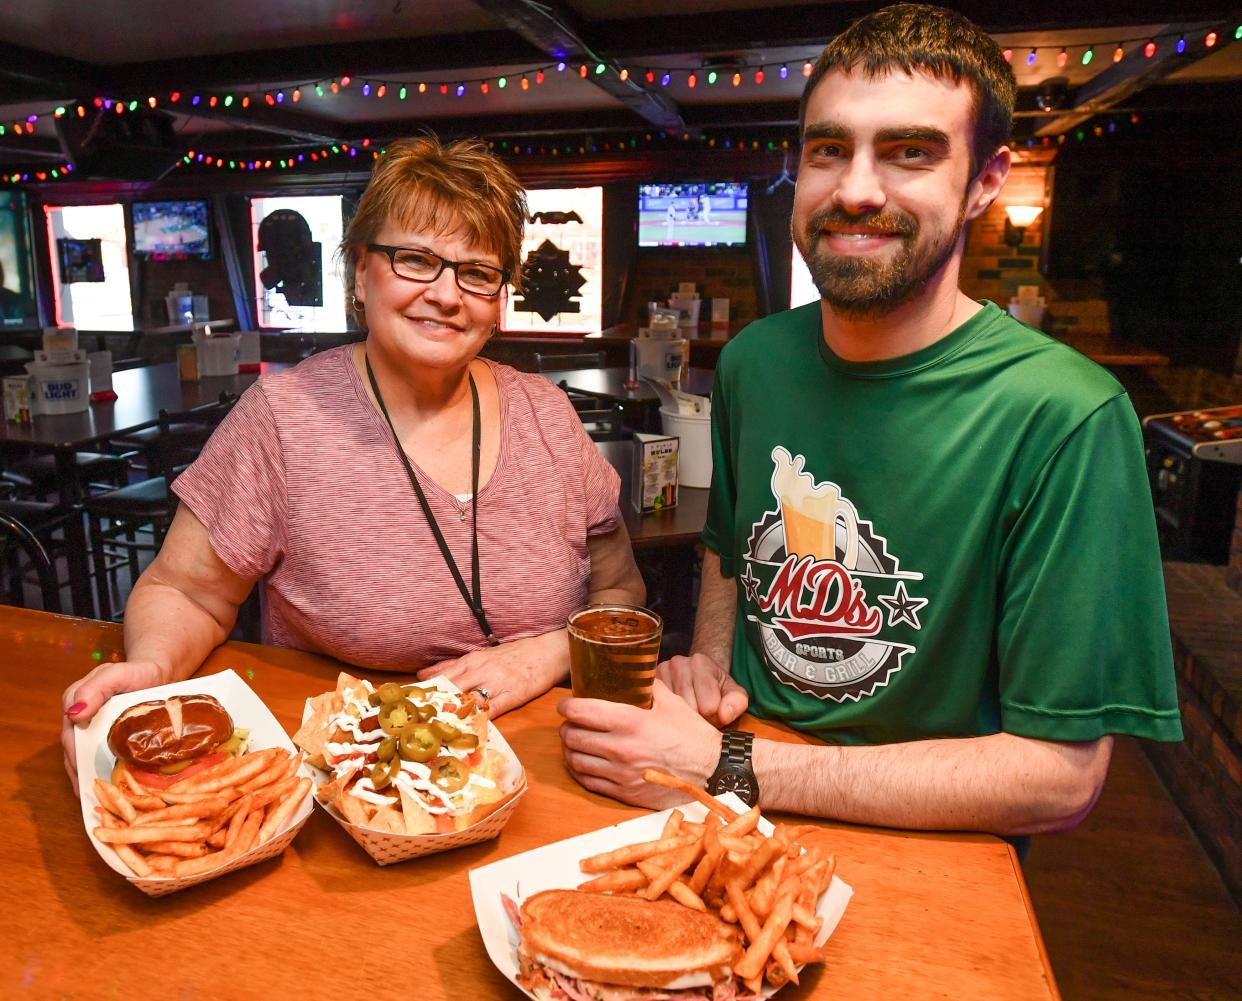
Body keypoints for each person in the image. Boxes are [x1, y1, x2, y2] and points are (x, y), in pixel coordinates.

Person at [559, 3, 1181, 838]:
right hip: (723, 805)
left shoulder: (1067, 413)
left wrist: (732, 767)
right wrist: (710, 667)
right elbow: (729, 561)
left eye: (910, 151)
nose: (855, 190)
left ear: (987, 180)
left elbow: (1058, 775)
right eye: (828, 150)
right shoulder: (755, 360)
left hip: (920, 838)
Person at [62, 136, 645, 790]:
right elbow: (186, 591)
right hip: (345, 787)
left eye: (477, 271)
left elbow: (621, 594)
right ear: (361, 271)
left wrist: (546, 652)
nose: (448, 294)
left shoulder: (549, 417)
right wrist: (150, 667)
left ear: (498, 297)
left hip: (548, 776)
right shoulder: (282, 418)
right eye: (415, 259)